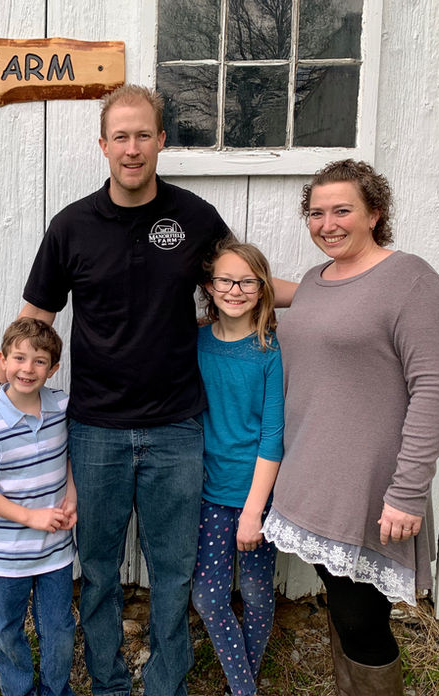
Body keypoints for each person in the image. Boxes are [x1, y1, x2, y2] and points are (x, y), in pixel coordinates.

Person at [0, 84, 294, 696]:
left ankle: (166, 684)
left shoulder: (193, 218)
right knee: (96, 572)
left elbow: (245, 278)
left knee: (173, 572)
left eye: (144, 134)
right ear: (103, 145)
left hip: (177, 428)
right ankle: (110, 682)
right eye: (120, 136)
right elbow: (37, 312)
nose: (133, 147)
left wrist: (333, 292)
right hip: (95, 430)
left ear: (162, 141)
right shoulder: (71, 227)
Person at [261, 160, 439, 695]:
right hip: (313, 478)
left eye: (342, 210)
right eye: (316, 213)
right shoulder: (315, 281)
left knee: (362, 620)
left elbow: (432, 391)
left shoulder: (411, 281)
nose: (328, 223)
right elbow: (258, 299)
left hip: (371, 488)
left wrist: (408, 492)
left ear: (375, 213)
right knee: (345, 610)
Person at [0, 317, 78, 696]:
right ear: (3, 361)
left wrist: (73, 495)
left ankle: (55, 690)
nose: (28, 369)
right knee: (8, 629)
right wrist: (30, 516)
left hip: (55, 551)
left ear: (54, 368)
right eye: (19, 358)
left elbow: (70, 456)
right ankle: (18, 690)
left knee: (59, 628)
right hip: (8, 554)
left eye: (39, 361)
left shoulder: (62, 407)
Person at [191, 241, 283, 696]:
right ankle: (245, 686)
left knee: (255, 590)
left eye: (247, 281)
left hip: (257, 495)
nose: (235, 289)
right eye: (226, 280)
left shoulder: (269, 351)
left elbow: (272, 435)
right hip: (208, 491)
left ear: (262, 288)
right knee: (208, 596)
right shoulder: (196, 341)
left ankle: (240, 687)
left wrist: (254, 510)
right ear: (209, 286)